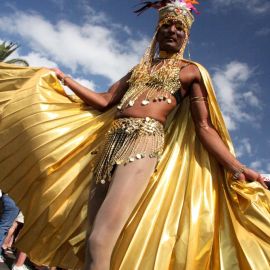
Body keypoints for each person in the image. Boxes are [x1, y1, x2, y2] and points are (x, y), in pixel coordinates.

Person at [0, 0, 269, 269]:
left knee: (100, 239)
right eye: (166, 25)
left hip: (144, 142)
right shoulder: (139, 69)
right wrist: (64, 78)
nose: (172, 31)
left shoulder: (192, 71)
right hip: (110, 144)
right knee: (91, 239)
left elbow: (204, 127)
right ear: (157, 31)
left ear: (186, 35)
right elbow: (105, 100)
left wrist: (238, 168)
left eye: (179, 27)